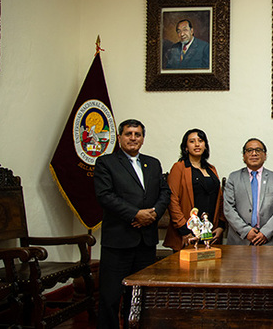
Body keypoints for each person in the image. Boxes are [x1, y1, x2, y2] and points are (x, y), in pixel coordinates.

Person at [94, 119, 170, 329]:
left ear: (143, 139)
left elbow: (164, 192)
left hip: (145, 241)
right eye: (128, 134)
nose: (133, 138)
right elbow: (105, 196)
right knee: (110, 297)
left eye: (137, 134)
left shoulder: (152, 163)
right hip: (119, 240)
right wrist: (135, 214)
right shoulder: (106, 163)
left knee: (138, 296)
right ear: (120, 138)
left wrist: (153, 214)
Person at [163, 128, 225, 251]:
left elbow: (220, 199)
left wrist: (221, 226)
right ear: (186, 147)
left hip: (210, 233)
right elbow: (172, 200)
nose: (197, 144)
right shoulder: (179, 167)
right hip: (188, 234)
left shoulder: (211, 169)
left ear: (205, 146)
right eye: (192, 141)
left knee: (211, 269)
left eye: (200, 141)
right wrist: (184, 230)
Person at [223, 138, 273, 246]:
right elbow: (228, 208)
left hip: (268, 240)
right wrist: (246, 231)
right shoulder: (233, 178)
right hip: (239, 240)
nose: (254, 153)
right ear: (244, 156)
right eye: (249, 150)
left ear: (265, 155)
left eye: (258, 150)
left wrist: (265, 233)